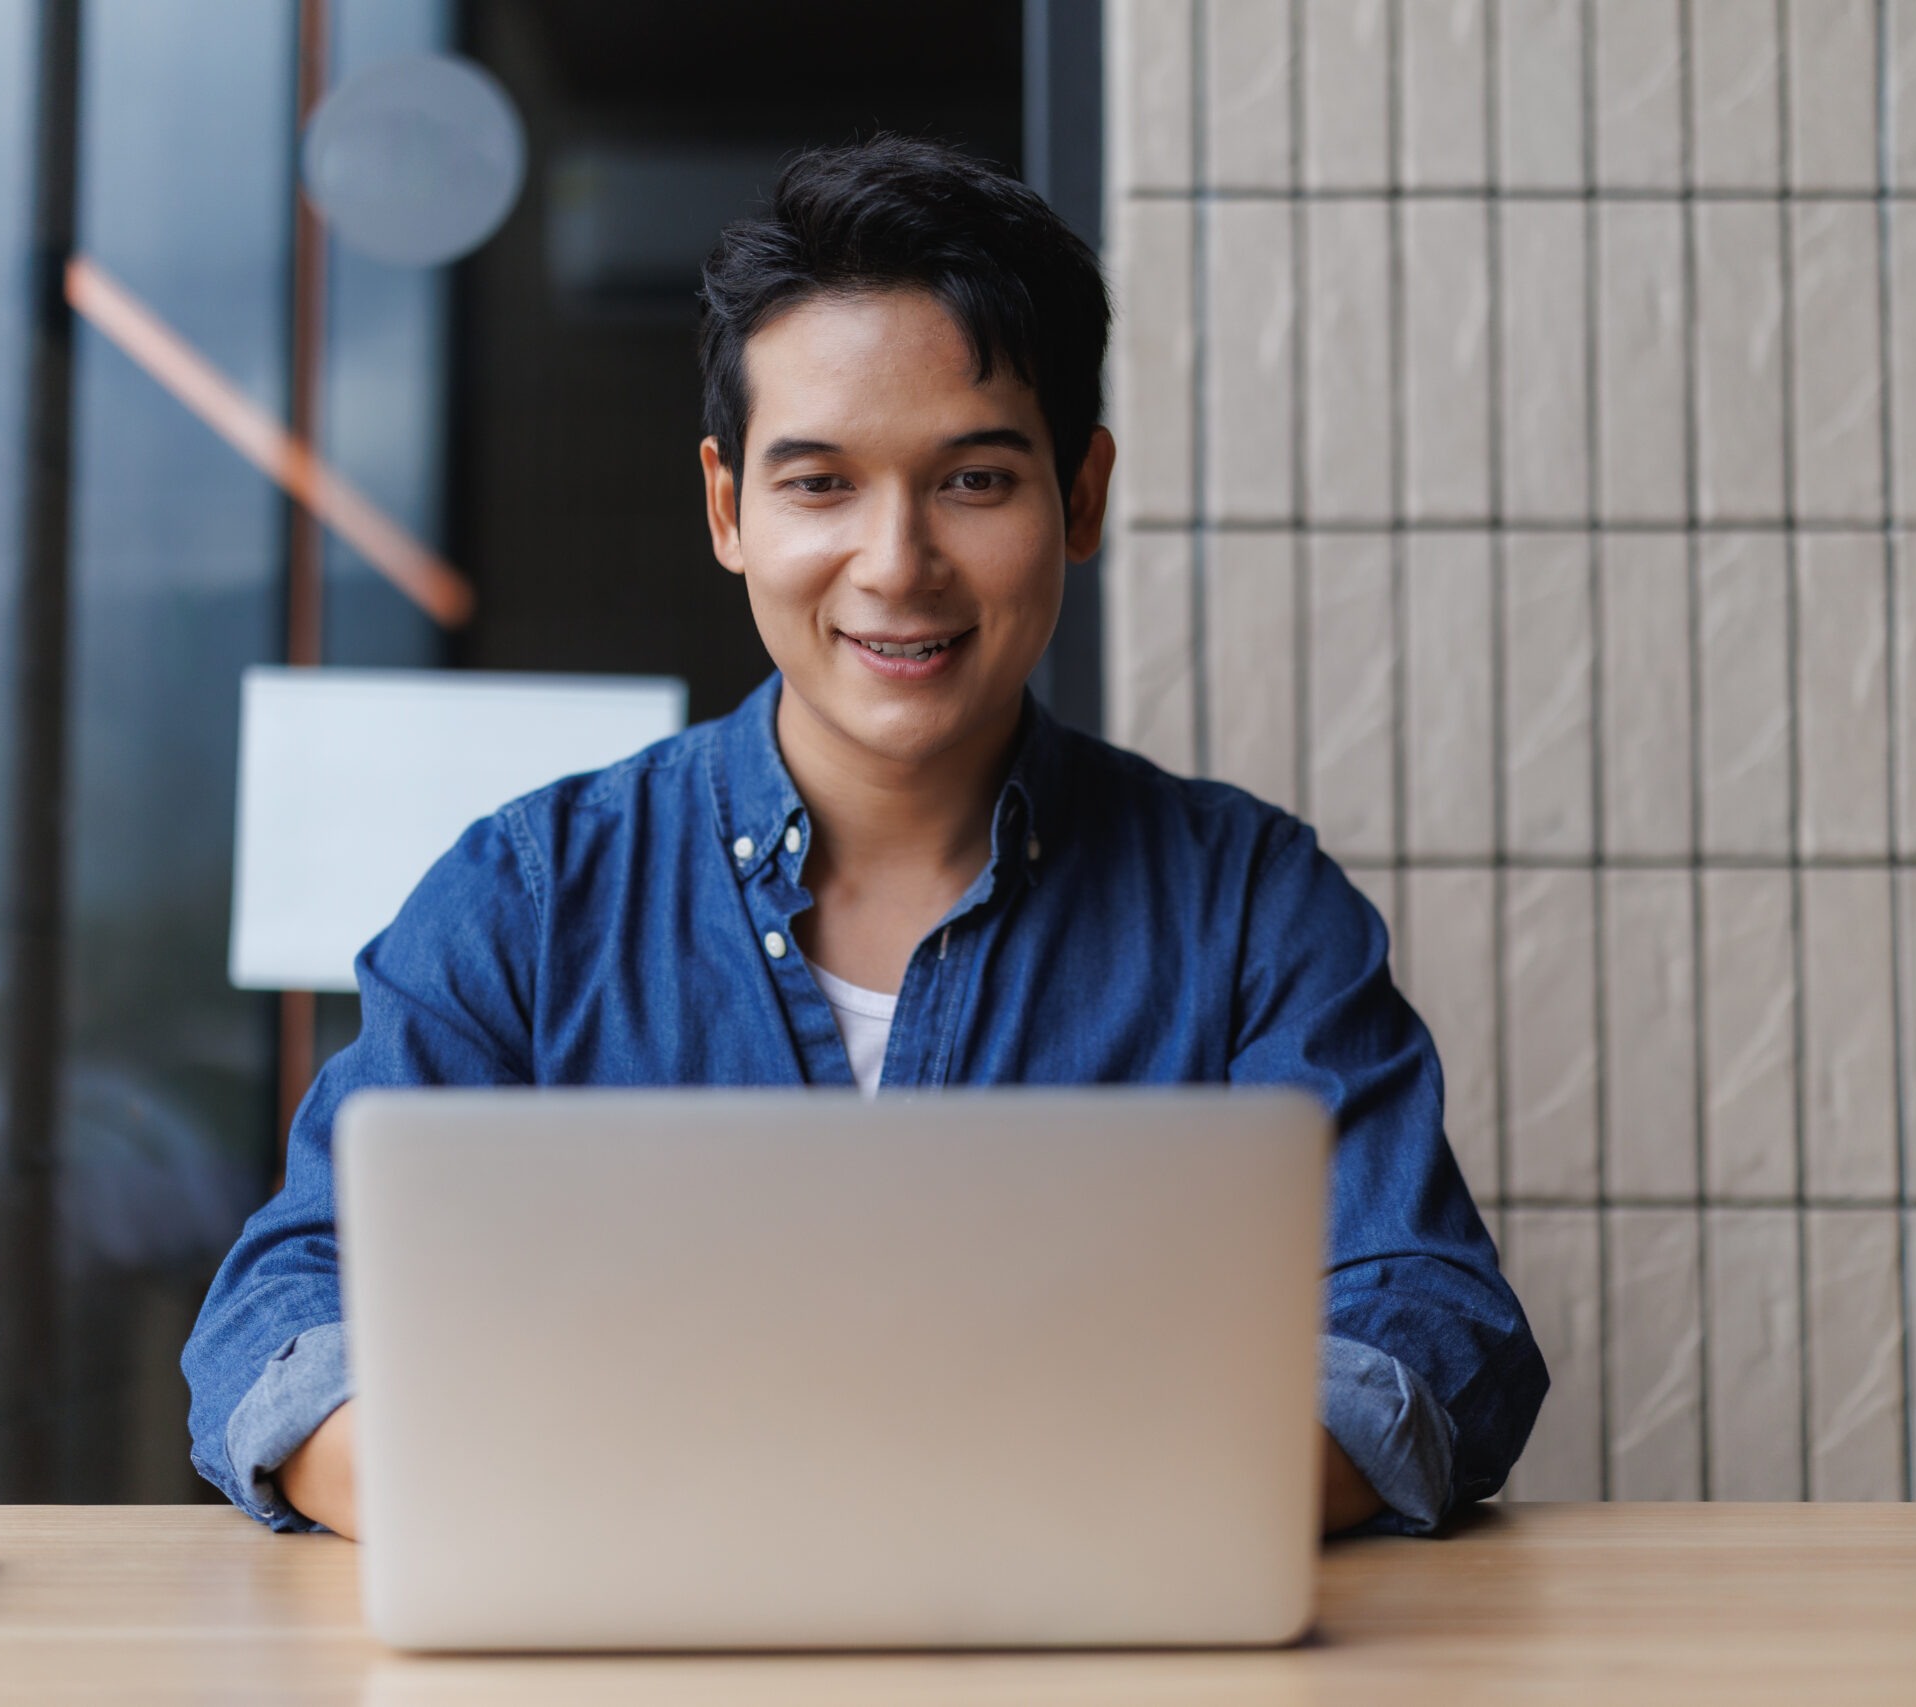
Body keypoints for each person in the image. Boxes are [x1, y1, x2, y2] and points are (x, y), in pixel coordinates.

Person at [182, 135, 1546, 1542]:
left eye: (973, 481)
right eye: (820, 483)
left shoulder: (1249, 907)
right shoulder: (527, 900)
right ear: (729, 508)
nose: (897, 564)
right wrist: (550, 1516)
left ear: (1079, 497)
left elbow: (1422, 1315)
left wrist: (1091, 1512)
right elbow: (287, 1305)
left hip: (1100, 1636)